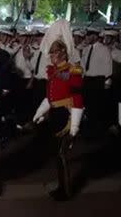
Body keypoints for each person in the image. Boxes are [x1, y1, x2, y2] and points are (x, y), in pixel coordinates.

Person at [32, 39, 83, 201]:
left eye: (54, 53)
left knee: (61, 154)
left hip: (65, 115)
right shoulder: (53, 71)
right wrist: (40, 113)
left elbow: (77, 98)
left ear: (62, 53)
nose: (52, 56)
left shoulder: (72, 70)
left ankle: (66, 191)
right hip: (55, 114)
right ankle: (62, 185)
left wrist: (75, 124)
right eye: (51, 53)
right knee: (56, 153)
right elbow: (50, 98)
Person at [80, 27, 113, 134]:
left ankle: (93, 130)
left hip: (97, 81)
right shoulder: (86, 49)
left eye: (89, 35)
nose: (87, 37)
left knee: (95, 106)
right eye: (87, 35)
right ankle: (86, 128)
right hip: (87, 80)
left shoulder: (104, 49)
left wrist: (106, 82)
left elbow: (108, 67)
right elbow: (83, 66)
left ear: (95, 35)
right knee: (86, 105)